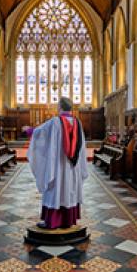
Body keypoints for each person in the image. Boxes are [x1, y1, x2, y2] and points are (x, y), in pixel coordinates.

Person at [28, 97, 88, 229]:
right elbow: (82, 147)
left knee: (56, 189)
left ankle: (52, 221)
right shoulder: (78, 123)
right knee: (69, 190)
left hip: (57, 167)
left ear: (60, 107)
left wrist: (29, 130)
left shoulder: (55, 122)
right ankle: (68, 220)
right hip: (72, 167)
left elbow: (40, 133)